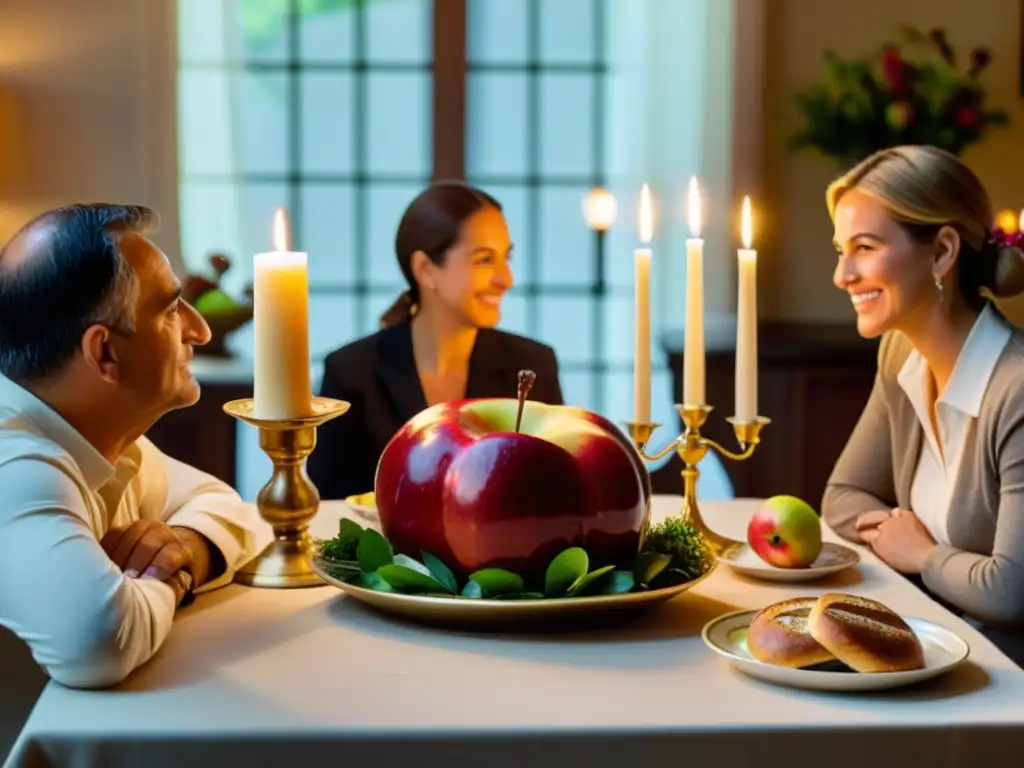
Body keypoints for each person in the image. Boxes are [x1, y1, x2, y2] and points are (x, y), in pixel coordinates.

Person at [0, 204, 262, 689]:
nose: (199, 329)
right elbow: (98, 640)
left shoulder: (103, 441)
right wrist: (175, 578)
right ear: (104, 353)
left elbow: (226, 505)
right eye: (169, 309)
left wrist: (186, 546)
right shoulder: (14, 464)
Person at [822, 145, 1024, 628]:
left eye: (865, 247)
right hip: (938, 644)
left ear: (942, 252)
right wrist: (903, 538)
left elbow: (1011, 592)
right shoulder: (900, 355)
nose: (842, 275)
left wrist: (924, 555)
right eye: (841, 250)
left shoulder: (1015, 390)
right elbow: (843, 495)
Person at [308, 181, 564, 500]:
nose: (506, 279)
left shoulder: (532, 365)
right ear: (425, 269)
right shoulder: (352, 373)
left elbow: (556, 491)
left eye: (505, 258)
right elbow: (332, 508)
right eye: (484, 260)